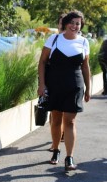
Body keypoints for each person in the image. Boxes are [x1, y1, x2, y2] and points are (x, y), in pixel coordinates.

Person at [38, 10, 91, 171]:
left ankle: (69, 157)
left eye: (78, 23)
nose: (75, 26)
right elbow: (42, 62)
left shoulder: (83, 42)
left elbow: (85, 66)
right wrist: (42, 85)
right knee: (56, 120)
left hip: (75, 86)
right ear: (66, 23)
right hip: (54, 85)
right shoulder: (54, 39)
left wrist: (88, 88)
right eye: (73, 22)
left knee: (70, 121)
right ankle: (55, 150)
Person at [48, 13, 67, 152]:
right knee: (53, 114)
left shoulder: (76, 40)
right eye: (61, 22)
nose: (62, 25)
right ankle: (54, 142)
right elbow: (44, 60)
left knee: (67, 114)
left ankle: (64, 135)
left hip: (69, 83)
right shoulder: (53, 39)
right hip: (53, 81)